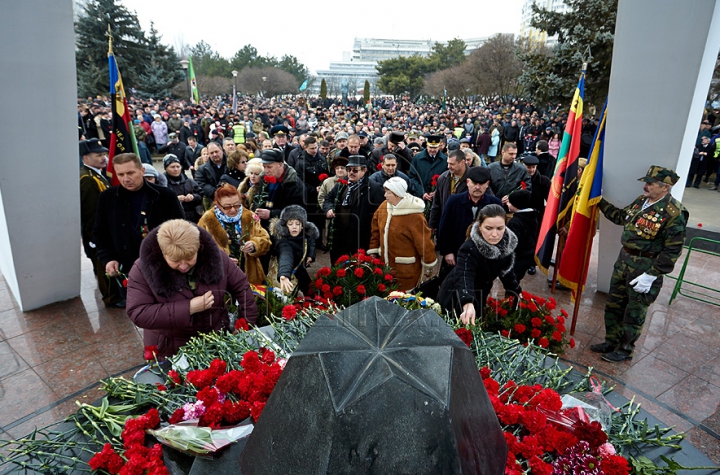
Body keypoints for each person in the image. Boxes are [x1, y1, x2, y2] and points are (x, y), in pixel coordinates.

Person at [590, 166, 688, 363]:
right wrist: (597, 201)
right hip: (624, 260)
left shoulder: (674, 213)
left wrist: (652, 275)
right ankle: (611, 341)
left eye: (650, 184)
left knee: (634, 310)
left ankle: (625, 349)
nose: (645, 186)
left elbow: (672, 250)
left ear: (665, 187)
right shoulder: (641, 201)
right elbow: (620, 217)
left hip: (645, 267)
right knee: (614, 304)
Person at [126, 219, 258, 361]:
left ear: (199, 248)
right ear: (162, 253)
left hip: (217, 337)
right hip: (171, 347)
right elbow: (138, 312)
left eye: (189, 258)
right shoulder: (142, 269)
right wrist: (189, 307)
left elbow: (241, 287)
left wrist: (245, 325)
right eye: (175, 260)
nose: (183, 266)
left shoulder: (217, 257)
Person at [93, 153, 185, 308]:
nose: (125, 179)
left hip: (164, 269)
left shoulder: (165, 196)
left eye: (130, 173)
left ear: (142, 171)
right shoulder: (107, 198)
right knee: (145, 315)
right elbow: (100, 233)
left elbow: (183, 231)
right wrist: (108, 258)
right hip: (129, 271)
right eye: (120, 174)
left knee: (171, 311)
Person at [437, 204, 521, 325]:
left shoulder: (505, 245)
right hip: (456, 294)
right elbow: (464, 275)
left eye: (499, 228)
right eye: (489, 228)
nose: (494, 234)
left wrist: (516, 290)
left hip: (480, 292)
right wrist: (467, 301)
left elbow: (506, 271)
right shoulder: (469, 248)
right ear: (480, 227)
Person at [368, 177, 437, 291]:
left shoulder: (414, 216)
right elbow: (375, 231)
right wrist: (374, 250)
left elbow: (423, 242)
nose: (385, 195)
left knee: (405, 300)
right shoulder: (384, 207)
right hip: (384, 267)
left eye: (388, 192)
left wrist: (428, 263)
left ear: (397, 194)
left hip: (406, 270)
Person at [198, 184, 271, 285]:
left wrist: (255, 245)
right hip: (221, 278)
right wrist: (221, 260)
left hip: (250, 275)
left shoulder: (249, 216)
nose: (233, 210)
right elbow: (199, 248)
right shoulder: (207, 220)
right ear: (218, 204)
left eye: (236, 205)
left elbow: (265, 239)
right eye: (227, 207)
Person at [436, 167, 502, 277]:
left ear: (487, 184)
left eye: (481, 184)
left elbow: (500, 231)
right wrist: (447, 252)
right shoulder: (454, 201)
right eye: (474, 183)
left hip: (482, 258)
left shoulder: (495, 204)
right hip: (455, 255)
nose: (477, 187)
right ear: (467, 182)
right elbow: (444, 228)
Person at [323, 155, 385, 264]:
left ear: (364, 170)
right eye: (349, 169)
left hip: (360, 239)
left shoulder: (374, 188)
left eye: (355, 170)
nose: (351, 172)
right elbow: (328, 198)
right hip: (340, 237)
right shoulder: (342, 184)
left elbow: (380, 215)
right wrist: (328, 209)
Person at [79, 139, 119, 307]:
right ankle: (111, 298)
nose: (104, 158)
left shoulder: (97, 174)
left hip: (107, 229)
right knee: (103, 265)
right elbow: (91, 213)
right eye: (99, 155)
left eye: (104, 154)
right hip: (99, 232)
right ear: (86, 158)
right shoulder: (87, 179)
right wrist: (94, 238)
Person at [271, 205, 319, 295]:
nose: (294, 227)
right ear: (285, 225)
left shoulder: (306, 234)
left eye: (297, 224)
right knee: (288, 294)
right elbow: (286, 256)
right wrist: (284, 274)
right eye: (290, 224)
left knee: (311, 291)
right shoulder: (283, 241)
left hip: (299, 268)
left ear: (302, 226)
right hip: (285, 271)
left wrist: (310, 255)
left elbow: (311, 242)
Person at [428, 149, 470, 232]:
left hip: (465, 227)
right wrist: (432, 225)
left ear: (462, 162)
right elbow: (436, 204)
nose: (448, 166)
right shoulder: (443, 178)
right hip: (446, 225)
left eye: (452, 164)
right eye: (448, 163)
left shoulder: (474, 178)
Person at [505, 190, 538, 283]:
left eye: (510, 202)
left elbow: (512, 242)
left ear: (516, 204)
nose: (507, 204)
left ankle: (512, 296)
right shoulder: (531, 216)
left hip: (518, 258)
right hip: (528, 254)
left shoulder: (515, 223)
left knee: (512, 280)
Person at [409, 134, 448, 210]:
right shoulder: (417, 159)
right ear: (426, 146)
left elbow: (446, 179)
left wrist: (437, 192)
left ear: (439, 147)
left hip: (438, 200)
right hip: (419, 199)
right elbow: (412, 177)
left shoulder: (445, 160)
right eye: (430, 147)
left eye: (435, 147)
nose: (433, 150)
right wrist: (422, 192)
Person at [163, 154, 203, 223]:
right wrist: (175, 200)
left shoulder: (189, 181)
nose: (176, 169)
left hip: (193, 219)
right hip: (173, 221)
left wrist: (193, 197)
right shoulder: (163, 184)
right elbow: (161, 203)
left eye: (178, 166)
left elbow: (200, 194)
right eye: (172, 167)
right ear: (166, 168)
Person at [195, 141, 228, 210]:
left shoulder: (232, 164)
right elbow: (201, 184)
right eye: (211, 153)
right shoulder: (202, 169)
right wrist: (216, 193)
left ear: (221, 150)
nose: (215, 154)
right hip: (213, 201)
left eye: (216, 151)